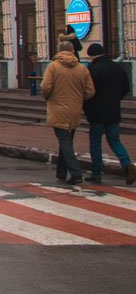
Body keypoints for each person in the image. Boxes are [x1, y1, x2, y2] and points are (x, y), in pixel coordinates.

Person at [41, 39, 95, 185]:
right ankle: (61, 172)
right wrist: (78, 98)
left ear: (58, 51)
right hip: (74, 109)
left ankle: (76, 173)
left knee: (65, 141)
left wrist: (48, 97)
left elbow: (46, 87)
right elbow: (90, 91)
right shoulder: (82, 68)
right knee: (66, 140)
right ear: (72, 51)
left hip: (58, 108)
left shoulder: (53, 66)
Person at [84, 43, 134, 185]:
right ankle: (127, 165)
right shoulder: (117, 68)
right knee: (115, 141)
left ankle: (96, 173)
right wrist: (115, 99)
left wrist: (86, 108)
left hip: (96, 112)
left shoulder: (92, 70)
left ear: (93, 55)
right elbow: (126, 88)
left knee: (95, 142)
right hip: (113, 110)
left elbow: (88, 91)